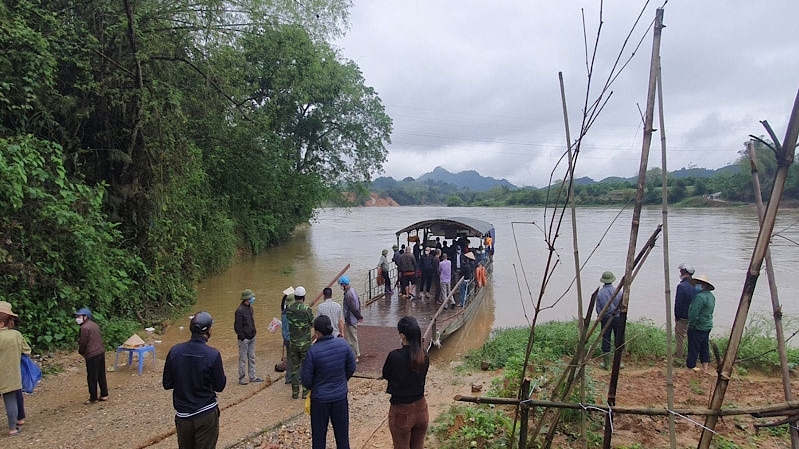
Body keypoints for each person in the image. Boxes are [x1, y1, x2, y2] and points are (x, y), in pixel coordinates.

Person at [163, 312, 227, 449]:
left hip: (183, 416)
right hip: (206, 413)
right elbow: (220, 386)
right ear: (209, 330)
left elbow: (167, 384)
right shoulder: (213, 355)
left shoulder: (174, 351)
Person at [301, 315, 357, 449]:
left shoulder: (313, 351)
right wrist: (343, 380)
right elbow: (352, 366)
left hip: (320, 400)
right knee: (342, 435)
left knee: (319, 437)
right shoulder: (343, 344)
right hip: (340, 396)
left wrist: (315, 386)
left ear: (317, 333)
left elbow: (306, 380)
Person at [382, 316, 430, 449]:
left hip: (401, 412)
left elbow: (386, 374)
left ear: (402, 335)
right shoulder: (424, 356)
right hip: (421, 409)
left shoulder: (394, 356)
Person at [0, 301, 30, 436]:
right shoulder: (16, 335)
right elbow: (27, 350)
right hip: (11, 374)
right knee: (11, 400)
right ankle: (12, 428)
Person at [75, 307, 109, 404]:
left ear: (85, 317)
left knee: (92, 376)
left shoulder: (84, 328)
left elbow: (83, 343)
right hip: (100, 352)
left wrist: (81, 351)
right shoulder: (94, 325)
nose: (77, 318)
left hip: (92, 355)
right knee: (101, 374)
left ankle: (93, 397)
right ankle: (104, 394)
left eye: (79, 316)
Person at [285, 286, 314, 399]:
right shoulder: (306, 309)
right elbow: (313, 323)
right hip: (305, 343)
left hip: (293, 343)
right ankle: (305, 392)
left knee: (294, 368)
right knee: (306, 367)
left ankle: (295, 392)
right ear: (304, 297)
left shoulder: (289, 309)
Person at [235, 289, 263, 385]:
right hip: (244, 339)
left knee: (252, 357)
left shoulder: (250, 308)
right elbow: (237, 327)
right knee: (243, 358)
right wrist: (243, 337)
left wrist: (254, 332)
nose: (253, 299)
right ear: (247, 299)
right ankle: (242, 378)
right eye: (251, 297)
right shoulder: (239, 310)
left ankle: (252, 376)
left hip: (252, 336)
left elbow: (252, 321)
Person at [687, 274, 716, 373]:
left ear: (704, 285)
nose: (697, 285)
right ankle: (705, 367)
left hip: (698, 326)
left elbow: (694, 313)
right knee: (704, 346)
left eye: (699, 284)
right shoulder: (711, 296)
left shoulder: (699, 297)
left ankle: (690, 367)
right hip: (707, 325)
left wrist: (691, 324)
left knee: (693, 347)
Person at [596, 271, 623, 370]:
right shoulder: (619, 292)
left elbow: (598, 309)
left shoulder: (600, 293)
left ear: (603, 281)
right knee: (619, 338)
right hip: (618, 318)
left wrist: (601, 316)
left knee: (606, 339)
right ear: (612, 280)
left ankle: (606, 363)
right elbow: (622, 305)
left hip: (605, 318)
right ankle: (618, 363)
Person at [674, 263, 697, 361]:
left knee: (680, 338)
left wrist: (677, 316)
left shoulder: (681, 286)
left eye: (681, 271)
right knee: (690, 337)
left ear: (684, 272)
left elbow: (678, 303)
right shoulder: (697, 286)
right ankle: (691, 356)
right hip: (693, 316)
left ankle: (678, 357)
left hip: (682, 316)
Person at [340, 276, 364, 363]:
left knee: (351, 338)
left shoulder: (348, 294)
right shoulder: (353, 290)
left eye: (341, 285)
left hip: (350, 319)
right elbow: (358, 302)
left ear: (344, 285)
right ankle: (355, 354)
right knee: (353, 337)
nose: (341, 287)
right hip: (353, 318)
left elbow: (352, 308)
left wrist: (359, 317)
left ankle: (355, 356)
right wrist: (359, 315)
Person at [280, 286, 294, 384]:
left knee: (289, 358)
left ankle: (288, 378)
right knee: (297, 359)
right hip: (293, 338)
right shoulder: (292, 312)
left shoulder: (284, 311)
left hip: (286, 338)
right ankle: (297, 378)